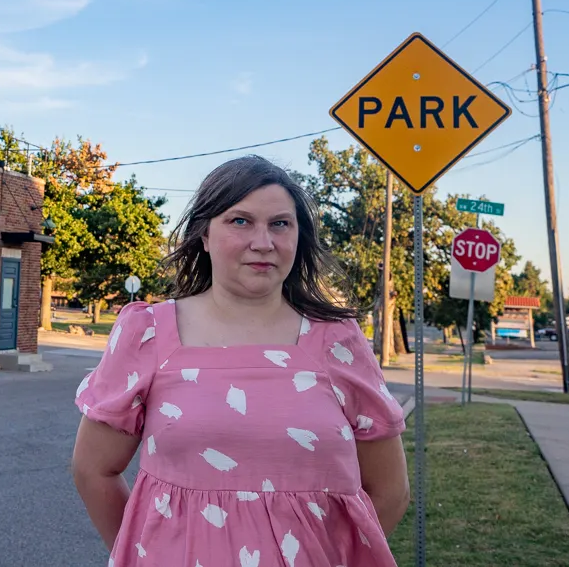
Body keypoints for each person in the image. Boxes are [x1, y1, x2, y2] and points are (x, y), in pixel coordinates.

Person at [71, 156, 409, 566]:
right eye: (240, 221)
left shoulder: (338, 339)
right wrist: (144, 552)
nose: (263, 242)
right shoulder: (148, 332)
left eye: (280, 224)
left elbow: (390, 489)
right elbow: (94, 470)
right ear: (205, 235)